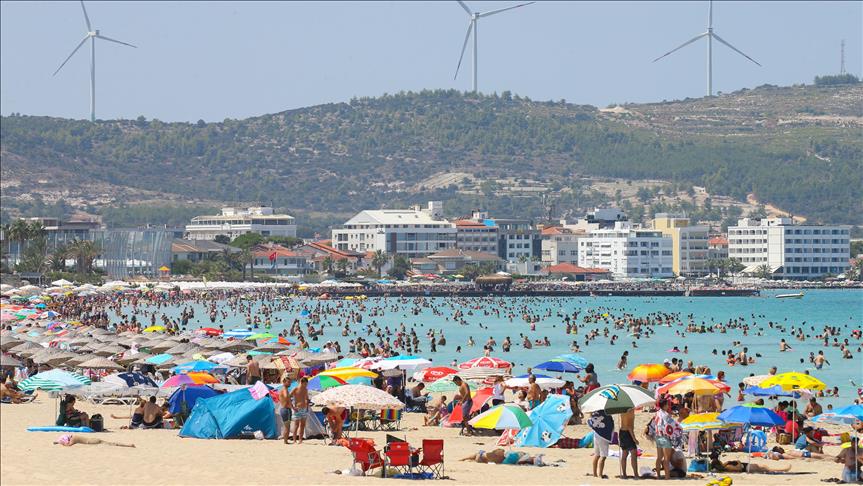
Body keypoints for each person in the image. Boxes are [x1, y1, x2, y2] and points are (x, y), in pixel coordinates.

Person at [653, 397, 682, 480]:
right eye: (667, 405)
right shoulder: (666, 415)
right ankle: (667, 476)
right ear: (665, 405)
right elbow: (672, 426)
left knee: (659, 457)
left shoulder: (657, 413)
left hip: (658, 437)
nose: (668, 406)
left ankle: (658, 476)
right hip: (665, 437)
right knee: (666, 458)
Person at [618, 407, 639, 479]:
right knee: (633, 453)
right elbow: (629, 426)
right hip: (627, 433)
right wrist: (634, 439)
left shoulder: (622, 410)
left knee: (625, 453)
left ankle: (624, 474)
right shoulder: (630, 410)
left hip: (622, 432)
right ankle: (636, 474)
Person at [290, 376, 309, 444]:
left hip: (304, 409)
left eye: (306, 384)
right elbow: (288, 397)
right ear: (302, 382)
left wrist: (307, 407)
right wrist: (292, 407)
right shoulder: (295, 389)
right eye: (305, 384)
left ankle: (300, 439)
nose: (306, 385)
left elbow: (307, 398)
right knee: (296, 425)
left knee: (302, 425)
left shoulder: (305, 389)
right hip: (297, 409)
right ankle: (294, 440)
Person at [54, 434, 135, 448]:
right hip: (93, 440)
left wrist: (62, 443)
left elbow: (68, 445)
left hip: (93, 442)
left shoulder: (74, 438)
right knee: (111, 443)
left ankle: (128, 445)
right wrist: (58, 442)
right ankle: (128, 445)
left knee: (112, 444)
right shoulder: (73, 437)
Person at [278, 375, 293, 444]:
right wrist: (289, 397)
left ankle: (285, 440)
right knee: (287, 427)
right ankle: (285, 441)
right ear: (284, 382)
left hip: (283, 409)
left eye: (290, 382)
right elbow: (286, 396)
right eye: (288, 382)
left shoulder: (281, 390)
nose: (290, 384)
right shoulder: (285, 390)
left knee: (286, 426)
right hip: (286, 409)